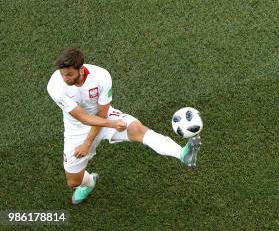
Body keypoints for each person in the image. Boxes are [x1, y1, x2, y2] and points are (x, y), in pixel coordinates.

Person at [47, 47, 201, 205]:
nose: (65, 78)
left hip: (104, 117)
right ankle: (90, 182)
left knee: (137, 129)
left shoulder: (101, 76)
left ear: (81, 68)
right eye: (62, 74)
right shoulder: (55, 86)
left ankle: (182, 154)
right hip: (77, 129)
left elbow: (102, 113)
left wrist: (109, 124)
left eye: (69, 74)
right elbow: (84, 118)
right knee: (73, 181)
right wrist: (91, 140)